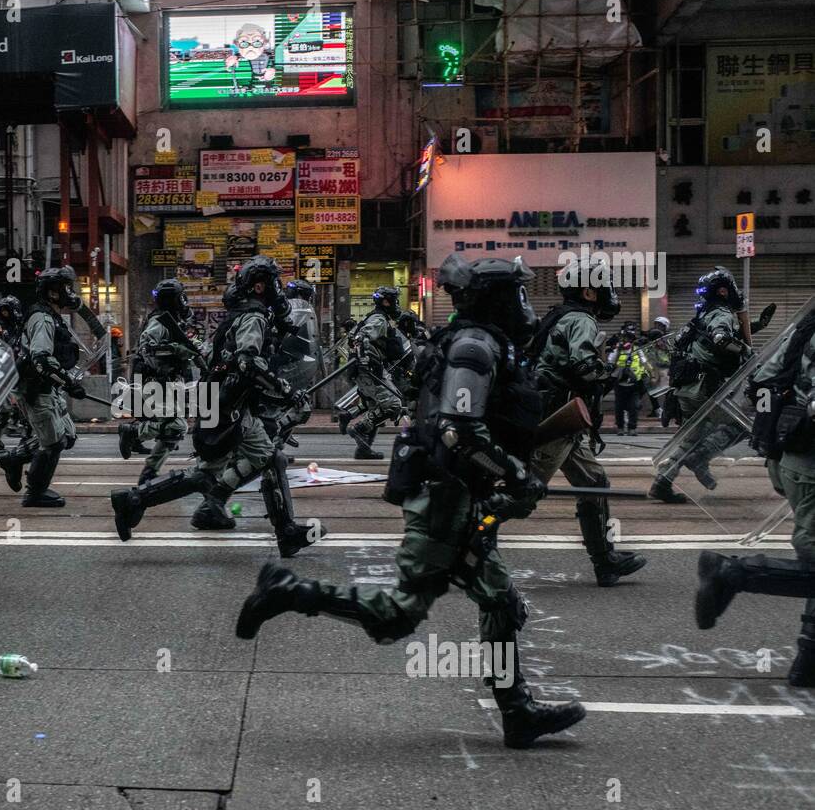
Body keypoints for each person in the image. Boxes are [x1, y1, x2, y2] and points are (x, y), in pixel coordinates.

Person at [235, 254, 587, 749]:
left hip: (459, 492)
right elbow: (459, 429)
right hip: (444, 497)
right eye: (517, 293)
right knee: (397, 616)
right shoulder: (474, 348)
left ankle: (517, 711)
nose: (525, 305)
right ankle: (289, 590)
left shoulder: (481, 344)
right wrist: (516, 476)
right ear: (494, 299)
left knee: (501, 602)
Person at [112, 256, 320, 557]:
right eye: (274, 281)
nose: (278, 288)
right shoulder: (254, 316)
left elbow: (218, 358)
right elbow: (249, 361)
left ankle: (135, 500)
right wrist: (284, 389)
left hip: (219, 400)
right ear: (260, 286)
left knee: (217, 471)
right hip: (230, 405)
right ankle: (285, 531)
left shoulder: (237, 315)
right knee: (259, 461)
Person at [693, 303, 815, 688]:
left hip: (791, 460)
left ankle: (808, 663)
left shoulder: (805, 326)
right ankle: (731, 573)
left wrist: (769, 435)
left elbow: (762, 381)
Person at [527, 262, 647, 587]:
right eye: (606, 286)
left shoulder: (557, 316)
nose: (610, 292)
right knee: (520, 495)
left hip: (566, 421)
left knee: (594, 480)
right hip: (556, 421)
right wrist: (612, 374)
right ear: (590, 291)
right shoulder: (582, 319)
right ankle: (454, 550)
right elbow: (583, 365)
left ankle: (605, 562)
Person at [649, 267, 752, 503]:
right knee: (742, 426)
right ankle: (693, 463)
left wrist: (752, 327)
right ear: (724, 291)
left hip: (687, 389)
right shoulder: (723, 314)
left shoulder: (702, 315)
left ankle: (688, 469)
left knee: (693, 436)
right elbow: (721, 338)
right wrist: (747, 352)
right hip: (704, 389)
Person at [0, 266, 84, 507]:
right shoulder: (42, 318)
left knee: (66, 436)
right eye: (66, 287)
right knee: (53, 443)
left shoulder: (51, 316)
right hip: (36, 389)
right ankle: (35, 492)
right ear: (53, 293)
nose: (71, 292)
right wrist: (68, 383)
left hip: (47, 388)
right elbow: (41, 357)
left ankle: (14, 459)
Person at [118, 278, 204, 484]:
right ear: (172, 300)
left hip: (170, 382)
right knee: (176, 426)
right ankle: (133, 433)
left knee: (172, 431)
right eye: (181, 297)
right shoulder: (159, 322)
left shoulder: (171, 320)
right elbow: (148, 349)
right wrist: (180, 350)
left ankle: (149, 472)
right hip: (156, 382)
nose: (185, 301)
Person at [346, 286, 411, 460]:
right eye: (395, 300)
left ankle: (364, 449)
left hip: (369, 369)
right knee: (393, 404)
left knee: (377, 409)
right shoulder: (379, 319)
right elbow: (360, 338)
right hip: (369, 371)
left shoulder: (376, 317)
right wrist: (365, 361)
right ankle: (358, 429)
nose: (397, 304)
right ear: (386, 302)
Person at [0, 295, 32, 456]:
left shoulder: (17, 326)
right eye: (5, 310)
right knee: (6, 408)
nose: (7, 313)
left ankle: (22, 439)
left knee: (22, 406)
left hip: (14, 370)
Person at [610, 322, 650, 435]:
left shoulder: (637, 350)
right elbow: (611, 362)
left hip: (634, 383)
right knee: (619, 407)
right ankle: (620, 428)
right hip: (620, 383)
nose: (626, 341)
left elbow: (645, 362)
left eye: (629, 338)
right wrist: (618, 350)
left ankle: (632, 428)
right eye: (625, 338)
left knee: (634, 406)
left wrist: (652, 374)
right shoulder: (617, 349)